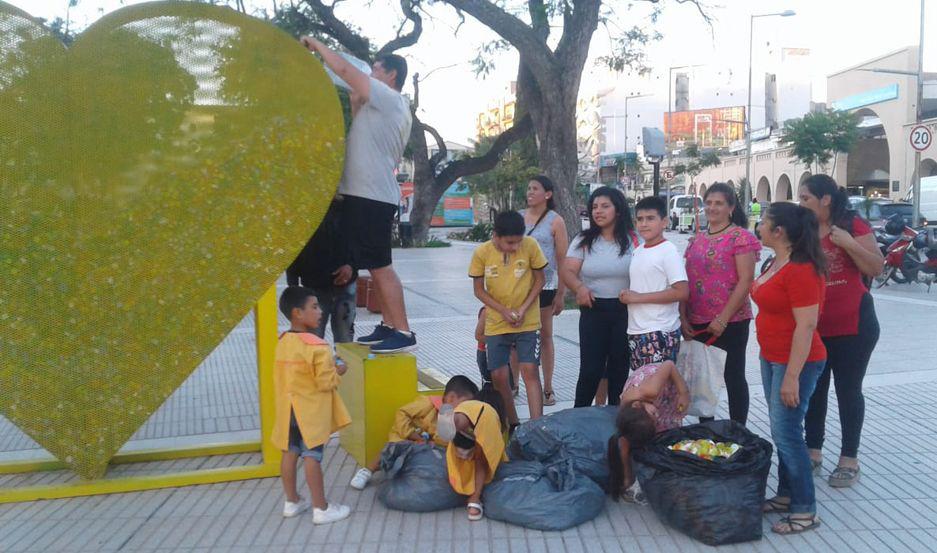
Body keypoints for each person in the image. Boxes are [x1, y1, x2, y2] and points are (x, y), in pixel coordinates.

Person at [300, 36, 415, 354]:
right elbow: (355, 111)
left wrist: (318, 46)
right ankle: (390, 326)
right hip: (364, 195)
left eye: (376, 68)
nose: (370, 72)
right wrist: (354, 103)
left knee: (381, 266)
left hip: (372, 196)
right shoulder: (377, 105)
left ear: (391, 74)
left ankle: (403, 331)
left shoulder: (389, 97)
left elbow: (346, 70)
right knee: (373, 264)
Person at [799, 175, 883, 488]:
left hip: (854, 325)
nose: (802, 203)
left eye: (806, 198)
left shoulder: (852, 225)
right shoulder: (804, 230)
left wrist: (847, 243)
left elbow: (876, 267)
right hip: (815, 326)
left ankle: (849, 459)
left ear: (826, 199)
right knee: (813, 391)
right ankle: (813, 452)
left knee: (848, 390)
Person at [753, 202, 827, 535]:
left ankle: (804, 510)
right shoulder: (776, 261)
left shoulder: (802, 269)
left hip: (796, 362)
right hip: (771, 356)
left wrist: (792, 377)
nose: (759, 226)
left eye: (764, 222)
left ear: (778, 231)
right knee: (782, 431)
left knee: (787, 434)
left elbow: (807, 326)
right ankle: (785, 495)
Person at [680, 183, 761, 424]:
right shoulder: (696, 240)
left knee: (733, 376)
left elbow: (746, 280)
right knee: (703, 379)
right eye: (709, 203)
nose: (712, 208)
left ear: (731, 207)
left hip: (732, 320)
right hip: (697, 321)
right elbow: (686, 281)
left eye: (719, 203)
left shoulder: (741, 238)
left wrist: (723, 319)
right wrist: (683, 318)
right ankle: (707, 431)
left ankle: (738, 432)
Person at [272, 286, 352, 524]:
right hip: (310, 412)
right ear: (298, 313)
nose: (320, 311)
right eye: (314, 307)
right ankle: (321, 507)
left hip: (288, 410)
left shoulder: (283, 340)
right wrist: (339, 370)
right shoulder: (317, 346)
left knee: (289, 452)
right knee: (312, 455)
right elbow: (325, 382)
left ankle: (292, 501)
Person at [469, 211, 547, 429]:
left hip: (528, 321)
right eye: (510, 242)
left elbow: (540, 280)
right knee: (499, 375)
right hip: (496, 323)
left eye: (518, 242)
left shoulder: (530, 245)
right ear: (496, 235)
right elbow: (478, 290)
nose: (515, 247)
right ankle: (513, 425)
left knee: (530, 369)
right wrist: (502, 310)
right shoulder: (481, 252)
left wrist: (523, 308)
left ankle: (536, 426)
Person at [561, 186, 638, 407]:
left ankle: (616, 421)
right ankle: (579, 417)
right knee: (590, 370)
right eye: (594, 207)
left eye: (605, 206)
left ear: (619, 210)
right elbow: (567, 271)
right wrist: (579, 288)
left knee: (619, 369)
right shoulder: (583, 240)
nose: (598, 211)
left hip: (624, 311)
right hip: (593, 309)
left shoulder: (634, 240)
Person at [348, 375, 479, 490]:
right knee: (390, 451)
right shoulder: (427, 403)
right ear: (451, 398)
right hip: (406, 437)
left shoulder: (454, 418)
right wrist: (411, 434)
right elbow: (402, 413)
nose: (465, 410)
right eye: (464, 404)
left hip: (426, 445)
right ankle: (367, 471)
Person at [618, 196, 689, 370]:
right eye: (640, 219)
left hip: (659, 331)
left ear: (664, 222)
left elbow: (681, 291)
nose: (644, 224)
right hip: (637, 330)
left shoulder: (668, 251)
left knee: (655, 392)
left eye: (650, 218)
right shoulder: (638, 250)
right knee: (642, 389)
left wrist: (637, 298)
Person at [607, 360, 689, 502]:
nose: (656, 417)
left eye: (654, 417)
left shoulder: (651, 391)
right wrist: (627, 479)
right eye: (654, 419)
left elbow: (669, 364)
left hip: (664, 383)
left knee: (669, 437)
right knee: (650, 442)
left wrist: (683, 392)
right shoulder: (627, 415)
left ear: (639, 405)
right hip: (649, 403)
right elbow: (623, 444)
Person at [522, 176, 569, 407]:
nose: (530, 192)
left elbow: (562, 260)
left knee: (545, 335)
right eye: (529, 188)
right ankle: (514, 385)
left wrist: (561, 293)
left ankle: (547, 387)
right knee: (516, 338)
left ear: (547, 194)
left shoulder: (555, 221)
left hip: (546, 286)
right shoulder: (519, 217)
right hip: (518, 288)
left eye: (535, 188)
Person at [286, 200, 357, 343]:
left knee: (345, 339)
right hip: (313, 284)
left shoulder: (347, 205)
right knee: (313, 339)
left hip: (344, 282)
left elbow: (357, 238)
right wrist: (293, 286)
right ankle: (315, 364)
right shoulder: (300, 208)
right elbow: (292, 246)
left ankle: (343, 364)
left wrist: (352, 266)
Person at [447, 386, 508, 521]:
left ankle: (473, 499)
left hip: (463, 411)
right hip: (478, 420)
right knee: (481, 462)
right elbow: (493, 454)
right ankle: (474, 501)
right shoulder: (491, 414)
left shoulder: (467, 407)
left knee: (472, 458)